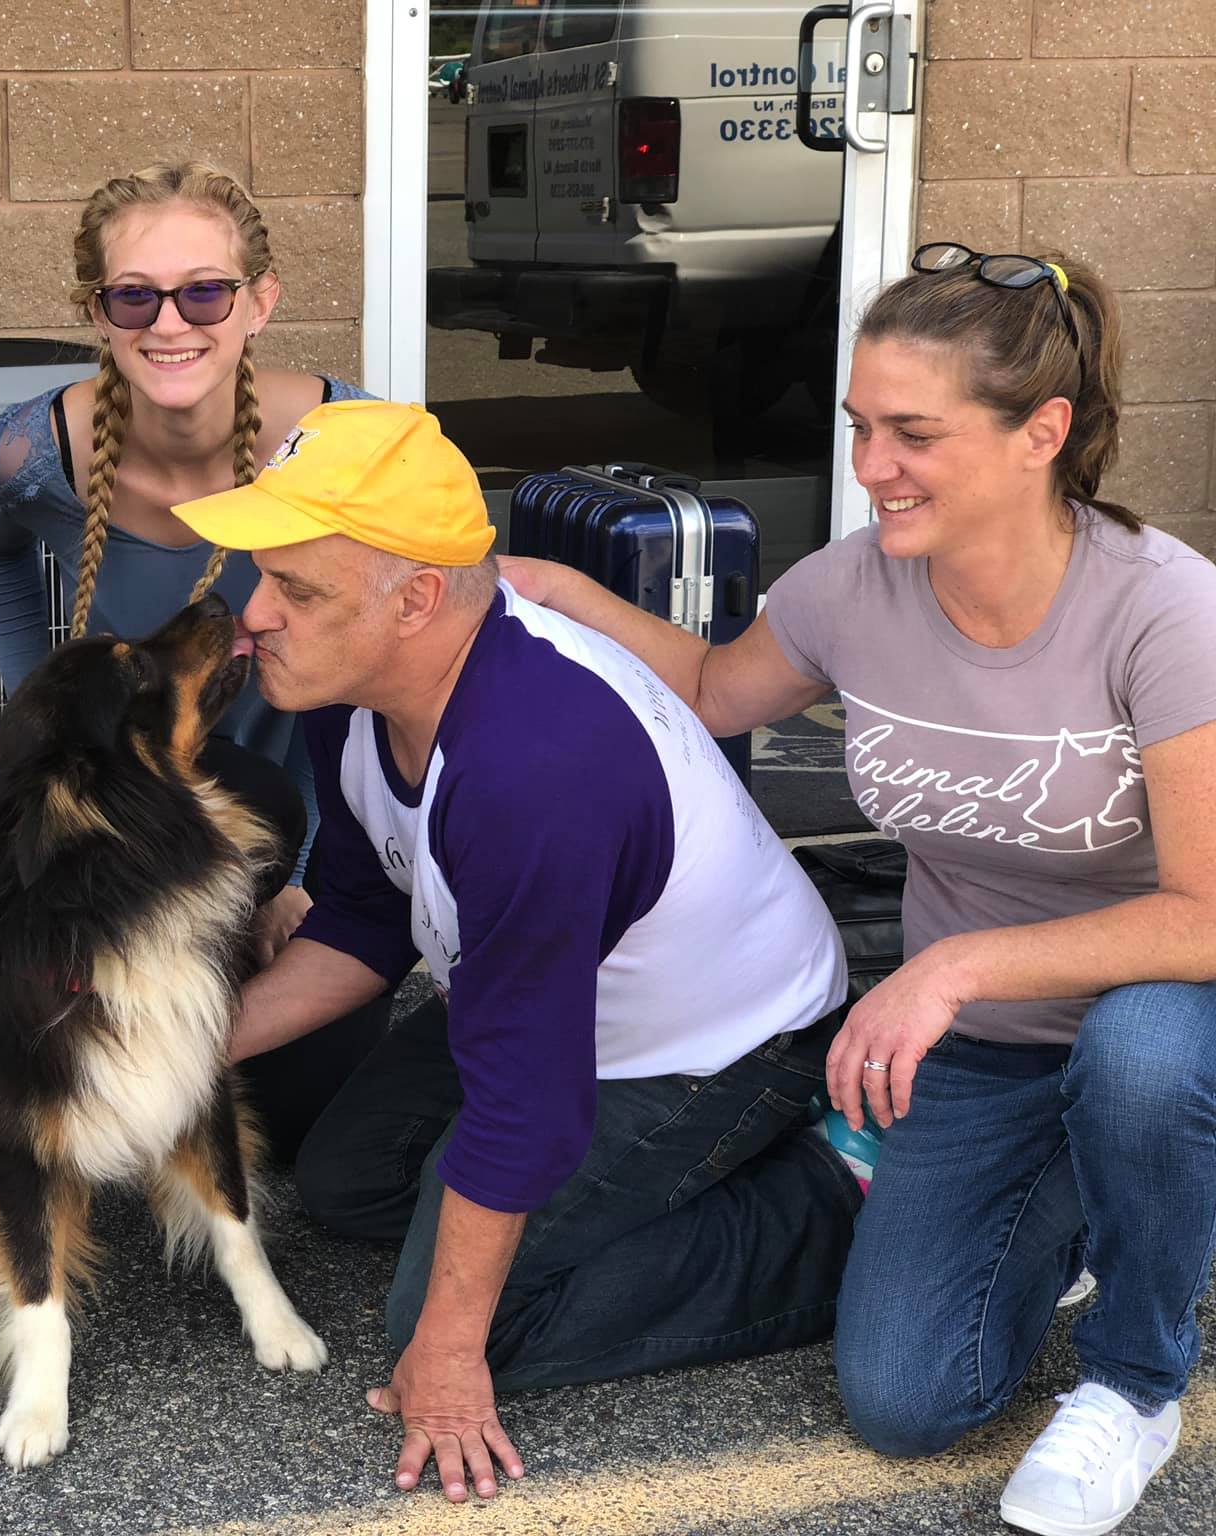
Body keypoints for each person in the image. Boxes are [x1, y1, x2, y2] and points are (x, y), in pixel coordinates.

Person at [506, 247, 1216, 1535]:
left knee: (1141, 1057)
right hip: (982, 1056)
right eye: (856, 427)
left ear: (1037, 435)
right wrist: (560, 593)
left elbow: (1205, 918)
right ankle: (1082, 1201)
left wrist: (943, 968)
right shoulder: (849, 586)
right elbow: (718, 691)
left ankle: (1133, 1378)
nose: (868, 465)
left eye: (910, 433)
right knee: (906, 1400)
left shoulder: (1162, 614)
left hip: (1157, 1016)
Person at [173, 399, 859, 1505]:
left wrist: (449, 1353)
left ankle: (839, 1195)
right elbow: (364, 915)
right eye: (262, 575)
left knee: (465, 1329)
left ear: (417, 599)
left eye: (293, 588)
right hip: (548, 999)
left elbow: (524, 1107)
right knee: (347, 1181)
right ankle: (662, 1193)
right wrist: (178, 1050)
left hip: (720, 1045)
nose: (251, 616)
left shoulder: (530, 767)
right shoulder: (345, 684)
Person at [0, 160, 380, 1156]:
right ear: (96, 311)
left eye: (204, 290)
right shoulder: (37, 454)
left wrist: (311, 878)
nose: (169, 323)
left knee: (285, 1124)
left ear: (259, 301)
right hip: (123, 804)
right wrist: (41, 700)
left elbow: (381, 689)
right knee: (78, 1102)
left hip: (293, 805)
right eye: (133, 296)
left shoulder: (348, 445)